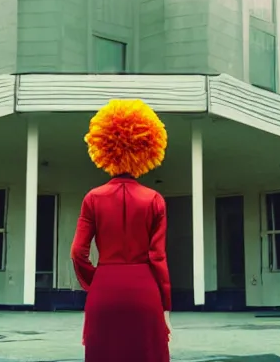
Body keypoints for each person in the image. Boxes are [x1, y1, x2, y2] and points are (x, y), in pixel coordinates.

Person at [71, 99, 172, 362]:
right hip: (145, 292)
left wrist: (98, 281)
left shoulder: (92, 198)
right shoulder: (154, 199)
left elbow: (77, 253)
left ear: (103, 147)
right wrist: (166, 304)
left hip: (104, 290)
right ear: (148, 148)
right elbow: (158, 257)